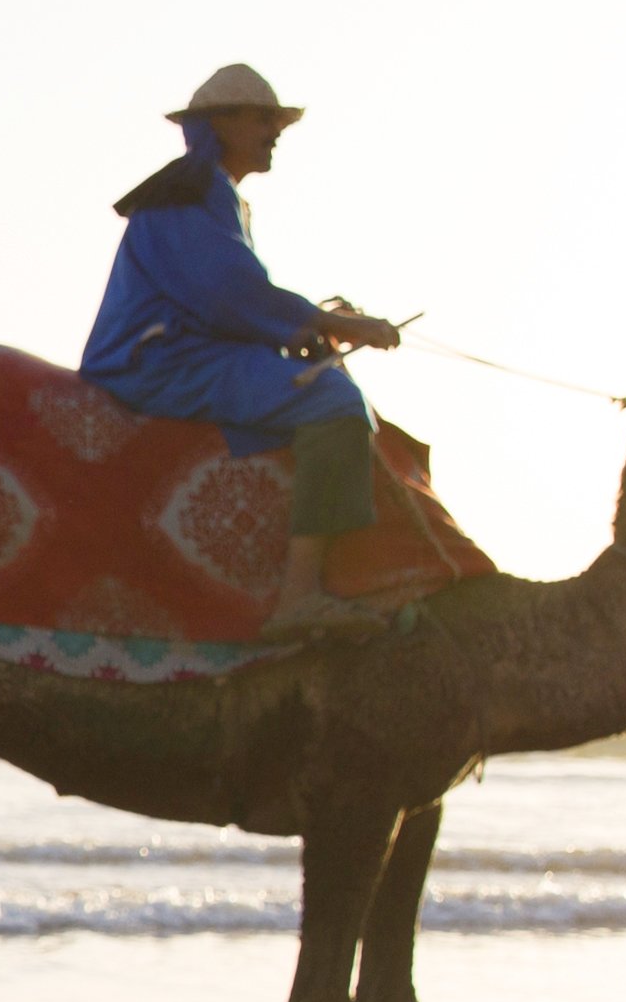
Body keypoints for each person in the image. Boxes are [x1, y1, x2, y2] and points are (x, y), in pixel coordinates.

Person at [83, 59, 408, 631]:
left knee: (310, 382)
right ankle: (299, 597)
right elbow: (229, 293)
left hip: (183, 352)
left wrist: (309, 328)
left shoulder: (204, 192)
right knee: (333, 401)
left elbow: (234, 299)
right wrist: (334, 326)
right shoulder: (192, 192)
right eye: (263, 120)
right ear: (221, 124)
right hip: (161, 360)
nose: (274, 133)